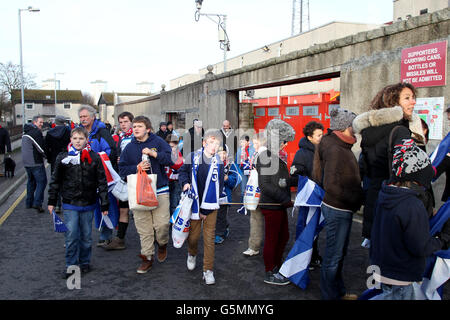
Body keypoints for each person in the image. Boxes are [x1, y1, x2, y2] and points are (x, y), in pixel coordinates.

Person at [370, 138, 449, 300]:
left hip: (381, 267)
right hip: (400, 275)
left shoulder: (387, 193)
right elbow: (420, 247)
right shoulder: (413, 204)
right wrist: (443, 239)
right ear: (418, 173)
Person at [352, 82, 426, 242]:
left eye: (413, 97)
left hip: (377, 199)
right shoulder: (400, 131)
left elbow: (368, 169)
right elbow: (415, 173)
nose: (413, 102)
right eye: (407, 98)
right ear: (392, 102)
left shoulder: (370, 132)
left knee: (379, 260)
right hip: (397, 204)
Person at [313, 108, 363, 300]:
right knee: (334, 257)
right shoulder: (335, 149)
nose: (357, 129)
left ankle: (338, 292)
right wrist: (354, 199)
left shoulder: (339, 145)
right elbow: (331, 185)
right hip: (338, 208)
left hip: (342, 207)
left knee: (338, 255)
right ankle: (330, 295)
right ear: (345, 127)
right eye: (354, 125)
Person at [47, 127, 109, 278]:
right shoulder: (63, 157)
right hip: (70, 203)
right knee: (71, 236)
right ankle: (71, 265)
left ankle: (85, 262)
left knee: (87, 236)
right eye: (75, 138)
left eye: (81, 138)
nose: (78, 141)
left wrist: (104, 204)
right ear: (70, 140)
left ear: (86, 140)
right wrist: (52, 201)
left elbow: (102, 181)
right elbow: (55, 181)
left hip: (88, 203)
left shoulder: (94, 157)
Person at [119, 116, 173, 274]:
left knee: (162, 225)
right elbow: (122, 169)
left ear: (148, 129)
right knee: (144, 229)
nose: (136, 129)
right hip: (139, 192)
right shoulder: (129, 147)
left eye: (140, 126)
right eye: (134, 126)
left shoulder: (158, 142)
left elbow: (170, 159)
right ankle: (147, 258)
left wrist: (153, 154)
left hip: (160, 189)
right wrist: (136, 167)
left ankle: (162, 244)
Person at [178, 129, 225, 285]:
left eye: (217, 143)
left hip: (211, 206)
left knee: (209, 239)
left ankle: (208, 270)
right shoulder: (192, 157)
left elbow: (219, 186)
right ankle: (192, 253)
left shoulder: (218, 161)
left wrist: (208, 209)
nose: (214, 146)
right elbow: (182, 172)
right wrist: (185, 183)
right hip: (194, 203)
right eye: (211, 142)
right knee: (193, 237)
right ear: (204, 143)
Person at [257, 119, 295, 285]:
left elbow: (281, 180)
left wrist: (297, 180)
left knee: (283, 236)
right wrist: (285, 200)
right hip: (272, 205)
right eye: (284, 141)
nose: (285, 145)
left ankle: (277, 265)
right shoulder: (265, 156)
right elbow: (265, 185)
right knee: (273, 239)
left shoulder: (273, 156)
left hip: (279, 205)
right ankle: (270, 270)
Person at [78, 105, 119, 247]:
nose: (83, 119)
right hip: (84, 176)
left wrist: (96, 163)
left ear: (93, 117)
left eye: (85, 116)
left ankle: (105, 235)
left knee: (105, 204)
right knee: (86, 206)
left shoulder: (102, 132)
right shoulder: (79, 132)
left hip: (101, 175)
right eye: (81, 117)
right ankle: (81, 236)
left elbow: (111, 151)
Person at [290, 120, 324, 270]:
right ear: (309, 137)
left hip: (319, 197)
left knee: (314, 228)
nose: (321, 138)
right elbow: (295, 175)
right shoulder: (301, 153)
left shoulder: (322, 150)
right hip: (308, 199)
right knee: (305, 228)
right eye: (319, 135)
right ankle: (303, 260)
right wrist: (309, 183)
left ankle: (313, 255)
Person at [103, 111, 134, 250]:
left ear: (132, 122)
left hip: (139, 179)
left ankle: (153, 240)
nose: (123, 125)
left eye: (126, 122)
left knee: (143, 212)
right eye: (121, 122)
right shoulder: (120, 137)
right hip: (124, 179)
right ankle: (120, 239)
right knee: (123, 210)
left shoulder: (138, 136)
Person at [242, 132, 266, 257]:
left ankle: (255, 246)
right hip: (259, 191)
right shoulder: (258, 154)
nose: (254, 145)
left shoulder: (263, 154)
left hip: (262, 192)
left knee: (257, 219)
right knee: (256, 218)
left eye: (256, 143)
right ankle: (254, 246)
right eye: (254, 143)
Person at [44, 115, 71, 213]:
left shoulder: (50, 133)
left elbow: (46, 148)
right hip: (67, 159)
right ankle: (67, 203)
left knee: (56, 182)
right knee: (67, 181)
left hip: (55, 159)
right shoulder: (69, 132)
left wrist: (49, 159)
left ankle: (57, 205)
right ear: (64, 122)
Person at [216, 147, 242, 244]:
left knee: (221, 216)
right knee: (214, 215)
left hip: (224, 196)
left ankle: (219, 234)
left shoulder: (230, 165)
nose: (222, 156)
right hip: (213, 195)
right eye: (219, 153)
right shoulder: (212, 163)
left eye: (224, 153)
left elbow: (236, 179)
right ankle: (225, 226)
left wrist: (227, 179)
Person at [22, 115, 47, 213]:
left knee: (31, 182)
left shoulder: (25, 132)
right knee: (42, 182)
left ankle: (29, 202)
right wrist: (46, 155)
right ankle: (37, 203)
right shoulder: (36, 132)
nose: (42, 124)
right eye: (40, 122)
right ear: (34, 122)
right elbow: (40, 148)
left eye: (42, 122)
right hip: (35, 162)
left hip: (26, 163)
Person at [235, 135, 255, 215]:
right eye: (241, 142)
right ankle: (243, 206)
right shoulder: (239, 150)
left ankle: (252, 205)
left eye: (243, 141)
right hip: (243, 171)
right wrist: (239, 172)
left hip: (252, 171)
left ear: (248, 142)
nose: (241, 143)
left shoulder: (253, 149)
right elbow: (237, 162)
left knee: (252, 189)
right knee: (243, 190)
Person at [165, 134, 184, 216]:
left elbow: (178, 165)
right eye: (169, 146)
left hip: (175, 181)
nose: (171, 148)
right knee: (165, 205)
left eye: (173, 146)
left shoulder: (178, 153)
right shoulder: (164, 153)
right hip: (165, 181)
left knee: (174, 203)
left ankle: (173, 225)